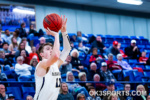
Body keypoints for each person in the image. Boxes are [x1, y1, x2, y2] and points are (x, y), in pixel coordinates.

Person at [34, 16, 71, 100]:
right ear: (41, 54)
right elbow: (55, 56)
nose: (51, 50)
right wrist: (56, 35)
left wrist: (64, 31)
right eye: (47, 49)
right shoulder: (42, 64)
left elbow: (67, 49)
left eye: (52, 48)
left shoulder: (55, 64)